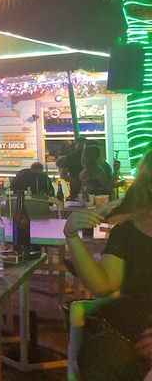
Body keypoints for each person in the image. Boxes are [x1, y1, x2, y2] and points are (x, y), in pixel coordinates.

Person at [64, 149, 152, 380]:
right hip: (125, 334)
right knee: (104, 359)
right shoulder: (128, 231)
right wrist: (72, 236)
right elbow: (103, 286)